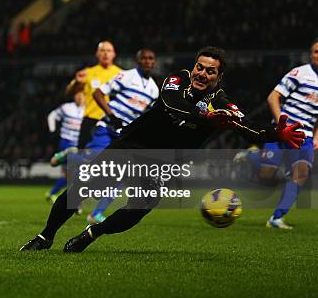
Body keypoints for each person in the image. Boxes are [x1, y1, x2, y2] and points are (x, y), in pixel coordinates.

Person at [20, 46, 304, 253]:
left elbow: (243, 125)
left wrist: (274, 132)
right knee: (79, 189)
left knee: (138, 209)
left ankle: (93, 233)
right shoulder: (177, 80)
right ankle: (45, 237)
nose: (202, 73)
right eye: (200, 67)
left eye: (210, 71)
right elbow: (170, 104)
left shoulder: (222, 102)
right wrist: (205, 117)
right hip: (131, 146)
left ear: (219, 77)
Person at [236, 39, 318, 229]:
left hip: (304, 136)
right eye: (315, 51)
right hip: (283, 131)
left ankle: (276, 218)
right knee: (267, 176)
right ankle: (252, 155)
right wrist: (281, 124)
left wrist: (315, 137)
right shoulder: (300, 73)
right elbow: (273, 97)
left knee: (301, 174)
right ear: (310, 55)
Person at [85, 48, 159, 223]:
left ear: (154, 62)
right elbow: (98, 93)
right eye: (145, 58)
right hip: (108, 127)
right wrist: (112, 116)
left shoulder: (154, 90)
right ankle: (68, 154)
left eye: (151, 58)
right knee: (96, 161)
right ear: (138, 61)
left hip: (124, 135)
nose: (148, 61)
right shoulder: (126, 76)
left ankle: (96, 213)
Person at [65, 40, 121, 148]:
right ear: (97, 54)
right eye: (102, 50)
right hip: (91, 121)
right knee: (83, 158)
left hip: (113, 120)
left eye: (109, 51)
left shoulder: (121, 74)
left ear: (114, 54)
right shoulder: (87, 73)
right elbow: (68, 93)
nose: (105, 54)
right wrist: (77, 82)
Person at [46, 90, 85, 204]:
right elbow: (52, 115)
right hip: (66, 142)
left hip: (79, 144)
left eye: (81, 95)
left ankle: (52, 193)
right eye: (77, 94)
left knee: (69, 173)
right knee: (72, 171)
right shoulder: (67, 107)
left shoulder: (89, 109)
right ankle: (75, 200)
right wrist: (52, 131)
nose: (79, 97)